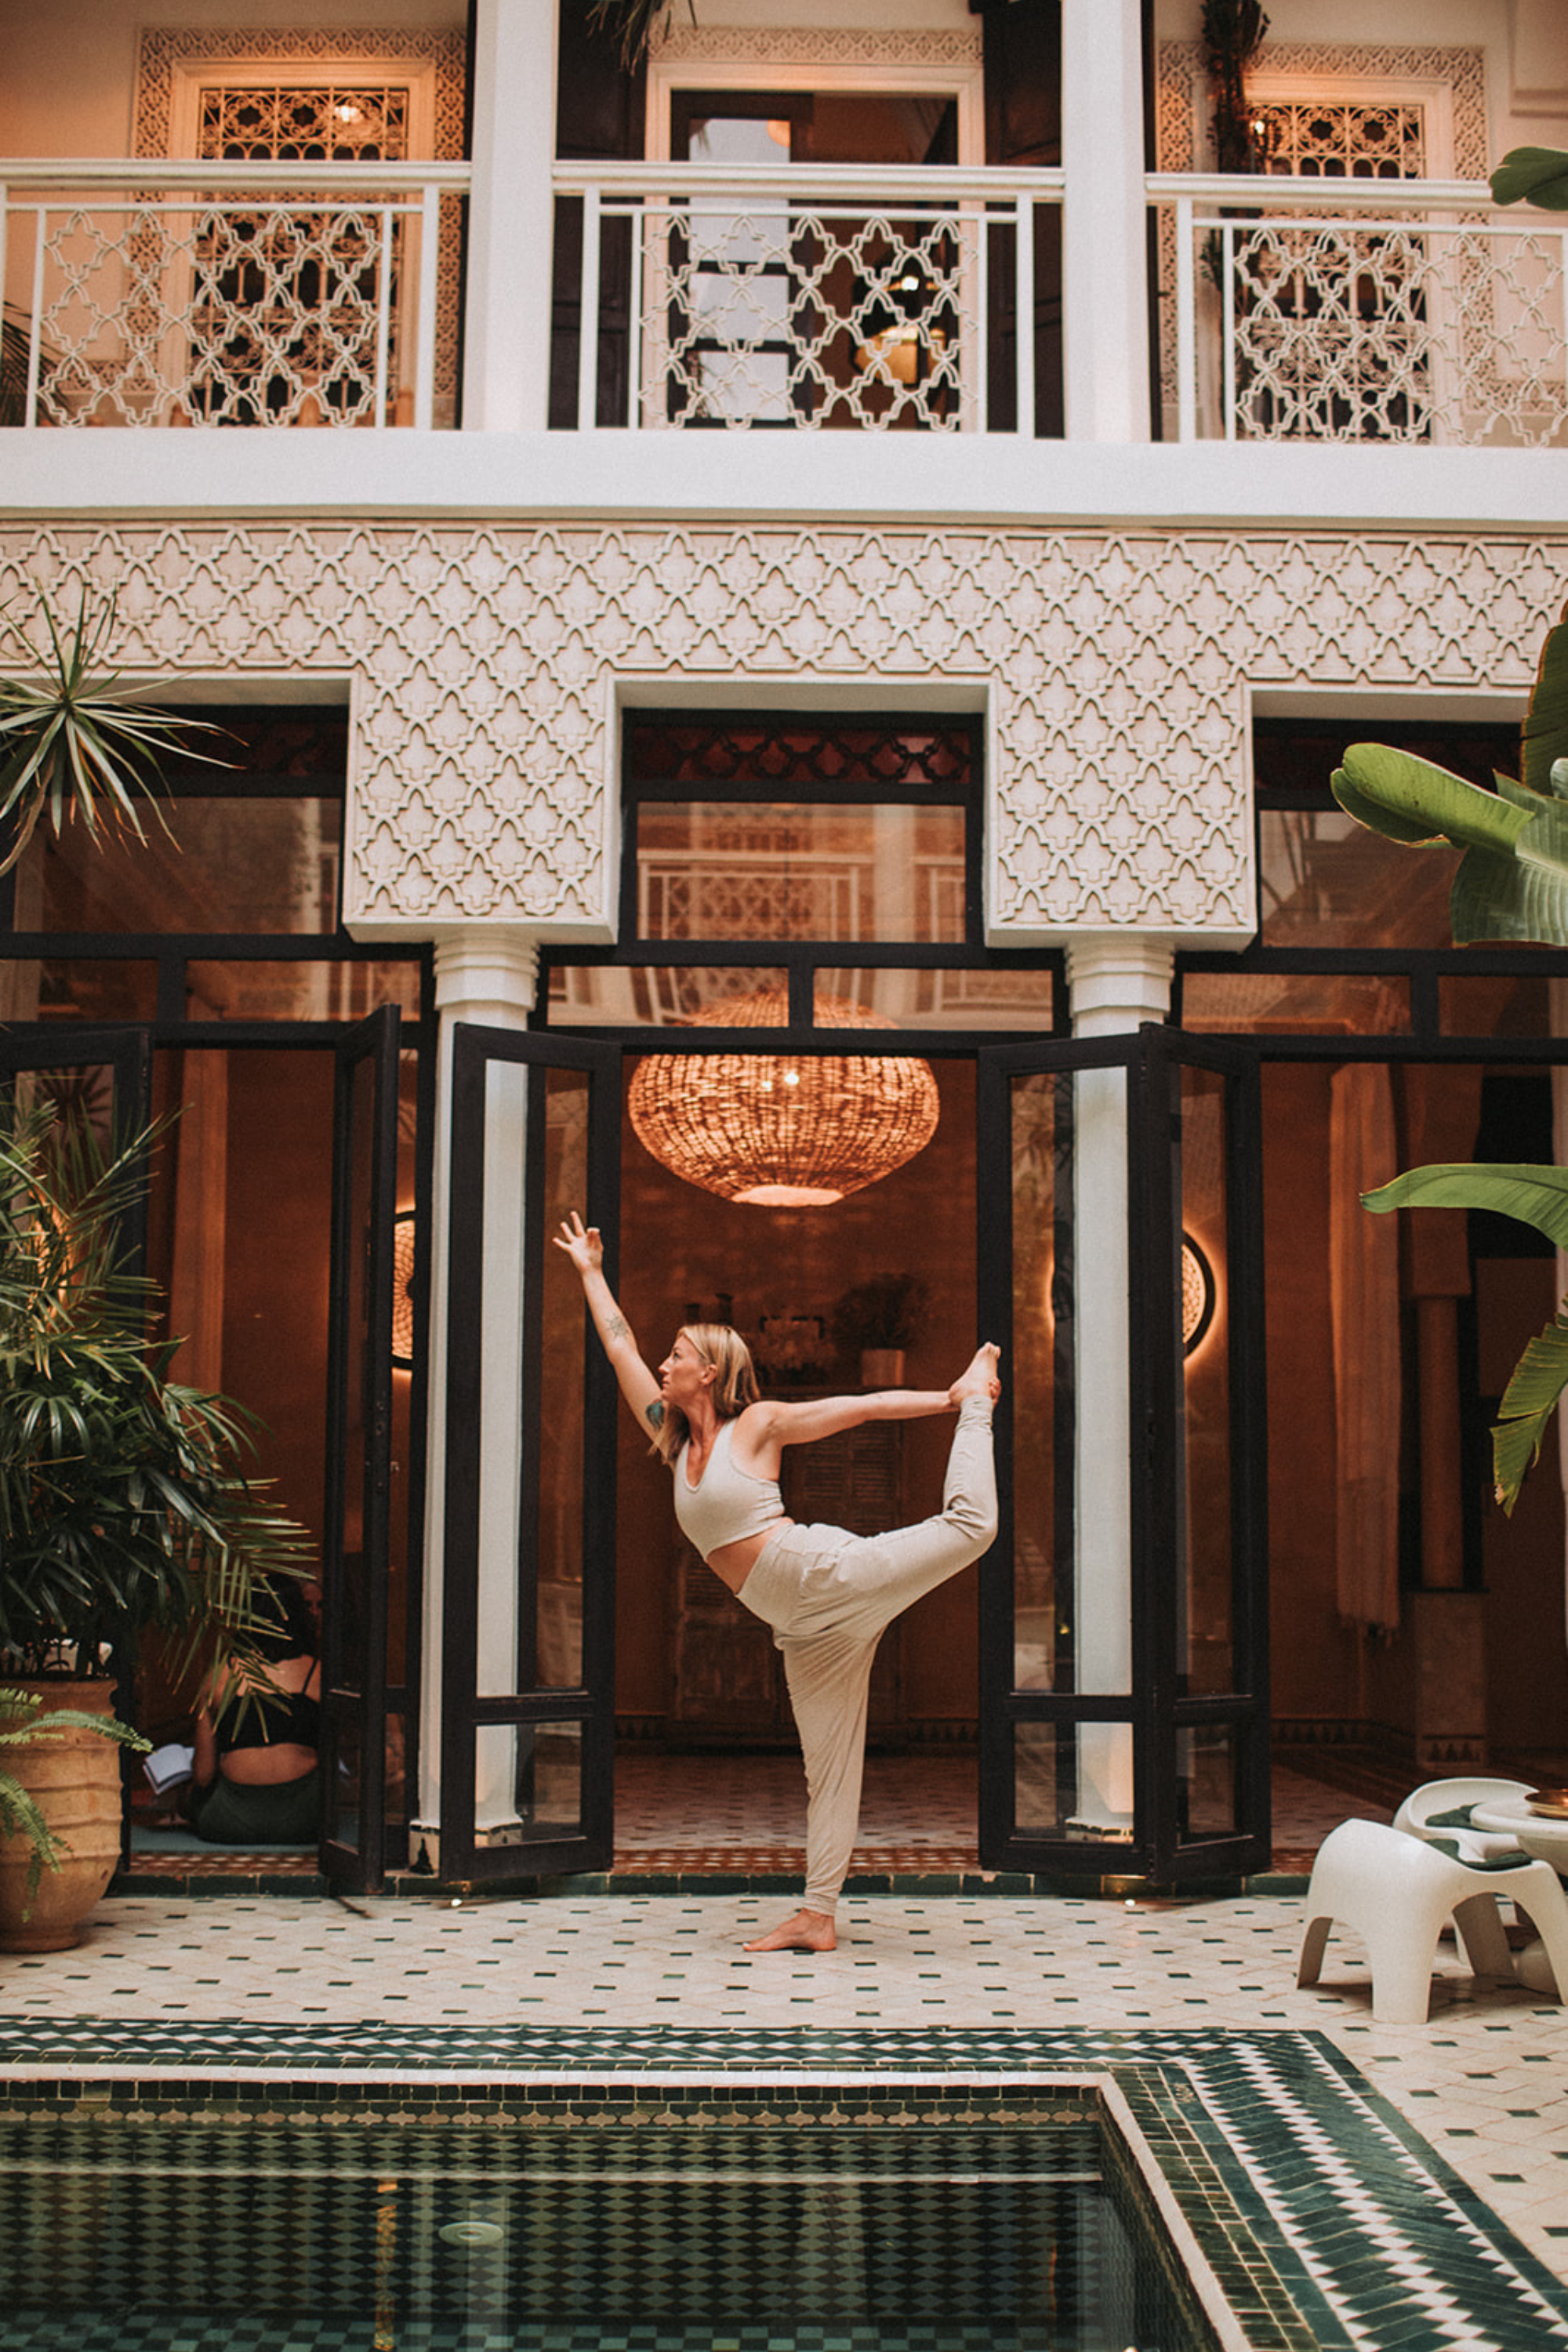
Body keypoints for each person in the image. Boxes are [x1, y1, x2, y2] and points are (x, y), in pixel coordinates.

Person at [554, 1212, 1000, 1953]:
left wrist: (953, 1402)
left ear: (711, 1373)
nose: (664, 1365)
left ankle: (979, 1406)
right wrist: (590, 1270)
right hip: (800, 1628)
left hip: (822, 1576)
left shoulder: (754, 1426)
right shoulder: (670, 1436)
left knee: (971, 1527)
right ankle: (817, 1917)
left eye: (679, 1355)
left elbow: (857, 1408)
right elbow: (618, 1345)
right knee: (828, 1770)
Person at [188, 1575, 322, 1845]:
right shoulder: (319, 1673)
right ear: (299, 1615)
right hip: (305, 1818)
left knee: (190, 1798)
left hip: (229, 1821)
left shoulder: (219, 1676)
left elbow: (203, 1775)